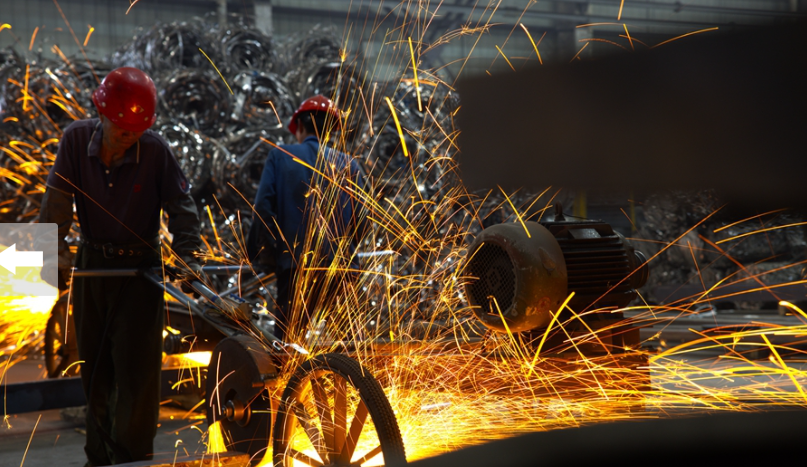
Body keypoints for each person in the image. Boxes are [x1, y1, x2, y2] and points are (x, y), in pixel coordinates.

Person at [38, 67, 204, 466]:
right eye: (121, 128)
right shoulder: (75, 140)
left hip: (140, 271)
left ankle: (133, 461)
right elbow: (55, 206)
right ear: (102, 114)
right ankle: (98, 459)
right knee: (94, 372)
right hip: (92, 265)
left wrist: (188, 258)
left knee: (137, 378)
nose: (129, 136)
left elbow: (183, 210)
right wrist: (52, 258)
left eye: (136, 131)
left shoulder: (156, 151)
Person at [246, 95, 365, 342]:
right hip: (341, 270)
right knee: (346, 348)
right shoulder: (350, 165)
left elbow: (262, 209)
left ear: (299, 125)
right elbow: (363, 220)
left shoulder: (280, 155)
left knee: (290, 346)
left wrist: (262, 255)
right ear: (332, 131)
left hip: (296, 268)